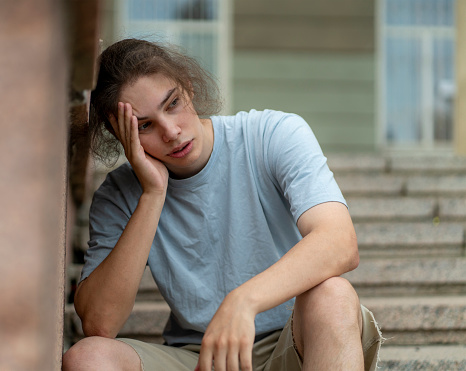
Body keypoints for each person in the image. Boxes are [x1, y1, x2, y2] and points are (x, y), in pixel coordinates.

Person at [62, 38, 382, 371]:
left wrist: (244, 301)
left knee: (334, 296)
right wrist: (152, 195)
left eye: (172, 104)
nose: (171, 132)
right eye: (144, 126)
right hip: (199, 358)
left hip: (295, 345)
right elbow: (100, 324)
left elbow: (340, 242)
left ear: (188, 87)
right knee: (89, 358)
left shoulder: (272, 135)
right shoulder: (119, 194)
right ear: (121, 134)